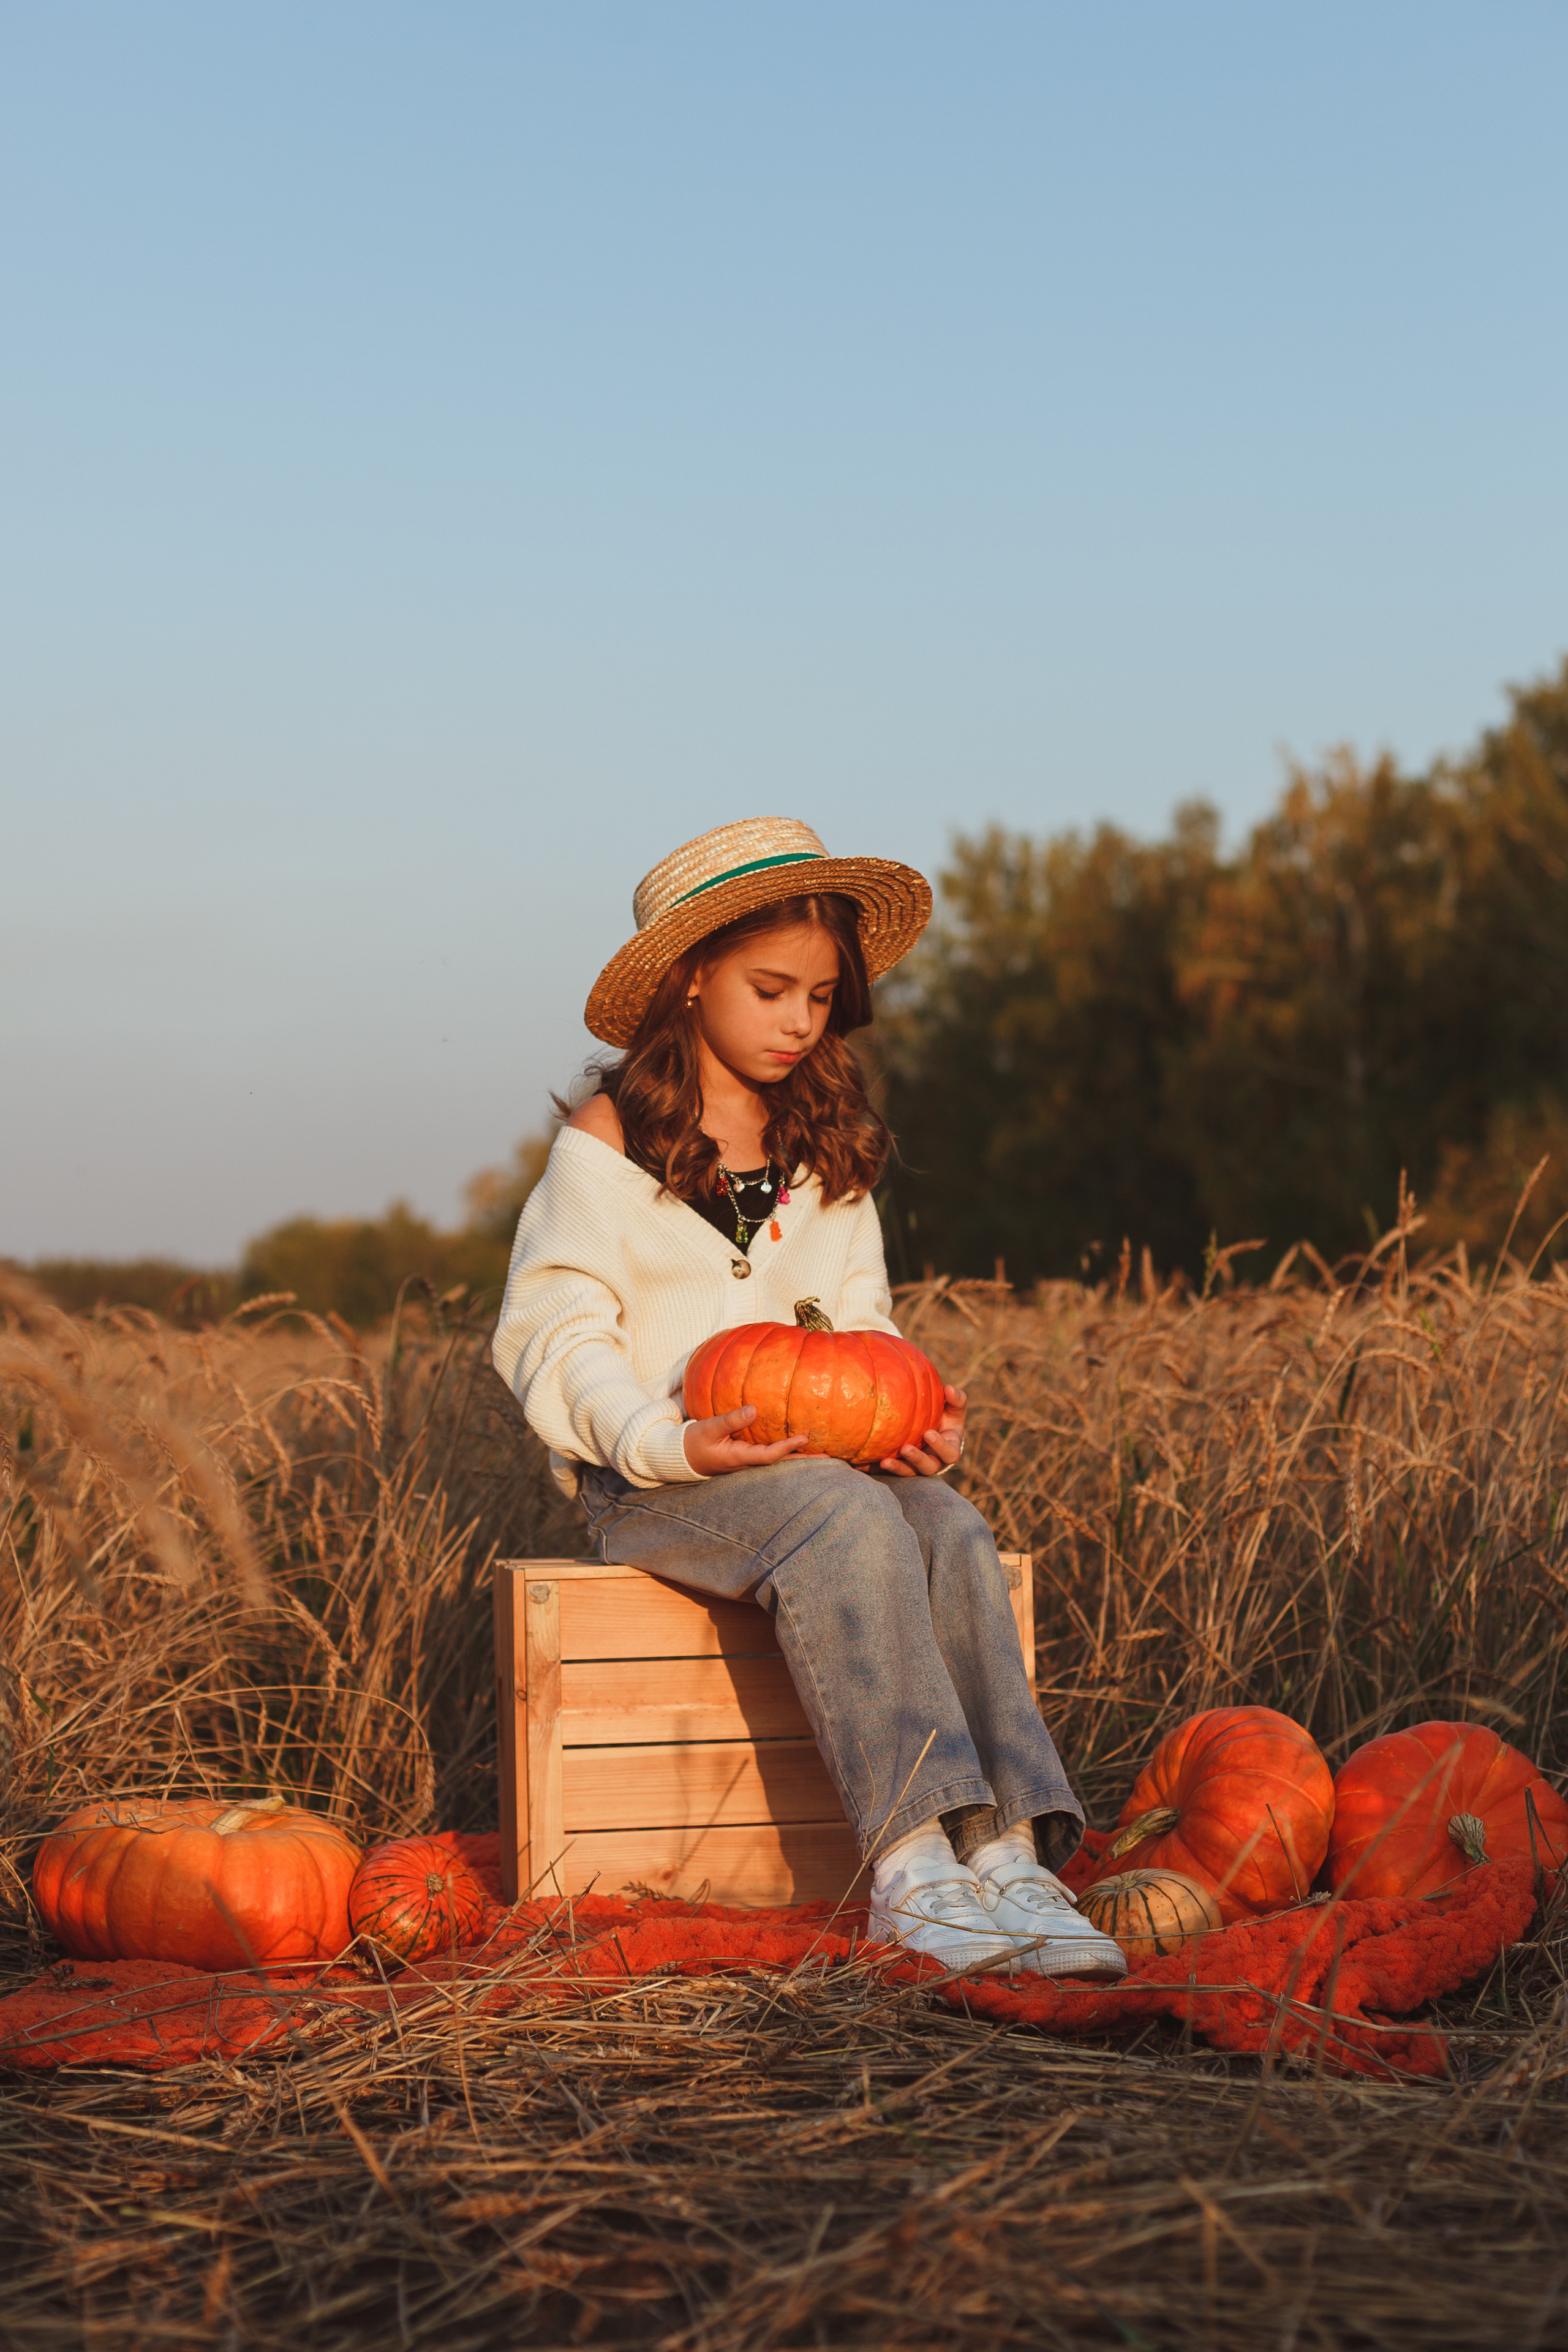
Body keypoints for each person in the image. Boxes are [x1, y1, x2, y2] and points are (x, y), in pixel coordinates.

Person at [492, 817, 1125, 1980]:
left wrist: (909, 1423)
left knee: (946, 1523)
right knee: (839, 1518)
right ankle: (911, 1869)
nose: (799, 1020)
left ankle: (1011, 1858)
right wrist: (661, 1436)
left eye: (822, 998)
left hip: (820, 1476)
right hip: (657, 1484)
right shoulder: (610, 1140)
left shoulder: (821, 1145)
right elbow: (557, 1329)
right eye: (770, 988)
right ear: (690, 980)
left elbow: (861, 1323)